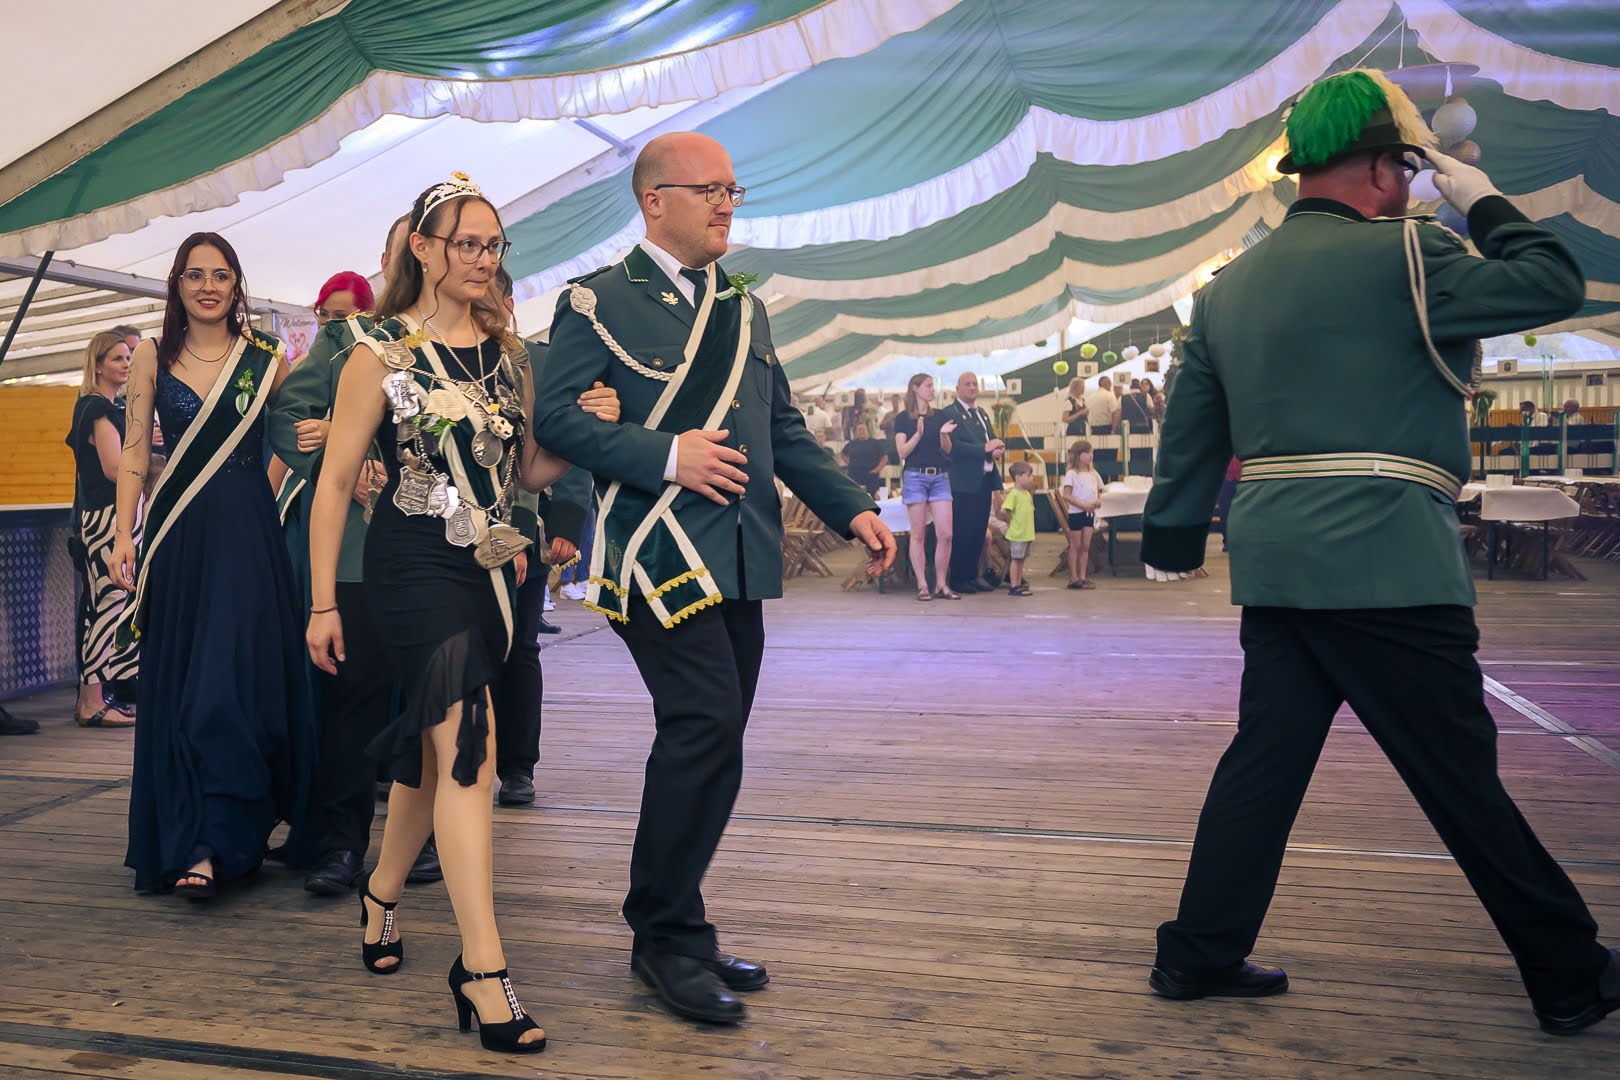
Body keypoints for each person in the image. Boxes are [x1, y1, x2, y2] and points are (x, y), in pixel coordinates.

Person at [1139, 68, 1617, 1033]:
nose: (1408, 184)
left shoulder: (1226, 292)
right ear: (1382, 165)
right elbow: (1553, 281)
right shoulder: (1412, 252)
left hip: (1278, 562)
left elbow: (1189, 434)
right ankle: (1570, 972)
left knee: (1264, 765)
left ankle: (1199, 951)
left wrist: (1173, 533)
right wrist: (1481, 196)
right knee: (1457, 774)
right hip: (1390, 557)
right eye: (1406, 166)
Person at [534, 131, 895, 1026]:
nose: (728, 203)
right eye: (710, 190)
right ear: (655, 200)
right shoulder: (597, 300)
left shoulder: (745, 309)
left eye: (733, 189)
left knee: (716, 739)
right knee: (701, 726)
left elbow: (785, 431)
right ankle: (664, 939)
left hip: (738, 554)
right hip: (655, 553)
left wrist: (851, 507)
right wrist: (667, 454)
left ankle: (680, 927)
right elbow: (555, 422)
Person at [307, 174, 620, 1054]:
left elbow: (526, 474)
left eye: (495, 245)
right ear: (424, 247)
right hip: (411, 569)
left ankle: (380, 894)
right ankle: (482, 968)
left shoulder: (510, 355)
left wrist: (584, 430)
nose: (486, 259)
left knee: (432, 756)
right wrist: (323, 600)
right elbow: (335, 482)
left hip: (493, 573)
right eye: (469, 243)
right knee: (470, 748)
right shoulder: (376, 351)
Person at [109, 232, 318, 899]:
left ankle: (227, 835)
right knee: (186, 684)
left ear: (236, 285)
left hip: (248, 538)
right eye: (195, 275)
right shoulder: (152, 354)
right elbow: (135, 452)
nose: (207, 286)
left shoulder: (265, 357)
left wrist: (279, 474)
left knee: (231, 683)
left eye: (220, 275)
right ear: (177, 284)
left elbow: (295, 433)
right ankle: (199, 840)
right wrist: (124, 533)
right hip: (179, 537)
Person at [269, 222, 436, 897]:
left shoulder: (468, 342)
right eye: (406, 246)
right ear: (388, 260)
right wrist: (337, 461)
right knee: (353, 702)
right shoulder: (347, 338)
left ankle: (423, 838)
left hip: (440, 554)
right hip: (362, 552)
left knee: (432, 703)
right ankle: (341, 843)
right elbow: (289, 416)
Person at [490, 265, 592, 808]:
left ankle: (517, 766)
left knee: (519, 647)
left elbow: (569, 444)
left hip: (522, 529)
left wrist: (567, 524)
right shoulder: (437, 360)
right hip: (446, 533)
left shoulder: (541, 362)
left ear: (509, 302)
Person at [66, 331, 141, 728]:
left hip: (109, 517)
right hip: (107, 518)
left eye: (128, 357)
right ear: (97, 365)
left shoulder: (101, 406)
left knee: (108, 603)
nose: (126, 364)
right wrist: (151, 459)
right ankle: (92, 702)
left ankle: (93, 698)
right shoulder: (96, 407)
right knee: (107, 605)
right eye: (117, 358)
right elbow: (115, 469)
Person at [894, 373, 957, 600]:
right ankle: (922, 584)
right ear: (916, 388)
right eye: (928, 386)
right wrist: (918, 435)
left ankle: (941, 583)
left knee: (946, 534)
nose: (932, 390)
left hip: (939, 476)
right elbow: (902, 452)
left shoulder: (940, 415)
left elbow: (947, 449)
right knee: (918, 534)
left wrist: (944, 435)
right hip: (915, 476)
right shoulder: (903, 419)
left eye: (932, 386)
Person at [944, 371, 1004, 594]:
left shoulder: (982, 413)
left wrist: (995, 448)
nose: (972, 387)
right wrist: (984, 448)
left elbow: (990, 441)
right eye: (967, 384)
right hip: (963, 483)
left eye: (974, 384)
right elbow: (954, 447)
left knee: (978, 532)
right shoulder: (950, 413)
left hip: (983, 481)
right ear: (957, 388)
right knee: (963, 532)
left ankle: (972, 575)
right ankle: (958, 578)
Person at [1061, 441, 1102, 590]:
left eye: (1092, 453)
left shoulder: (1093, 473)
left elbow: (1100, 491)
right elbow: (1066, 495)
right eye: (1088, 453)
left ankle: (1083, 576)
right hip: (1077, 513)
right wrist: (1083, 505)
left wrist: (1098, 500)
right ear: (1079, 455)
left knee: (1085, 546)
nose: (1091, 455)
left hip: (1089, 513)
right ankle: (1073, 577)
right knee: (1076, 545)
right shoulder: (1072, 474)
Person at [996, 462, 1036, 596]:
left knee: (1021, 559)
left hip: (1027, 533)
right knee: (1016, 559)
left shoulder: (1027, 494)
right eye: (1028, 475)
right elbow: (1004, 510)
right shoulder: (1014, 494)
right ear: (1018, 477)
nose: (1031, 478)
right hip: (1018, 533)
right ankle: (1014, 585)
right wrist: (1009, 519)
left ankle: (1018, 583)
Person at [841, 422, 889, 498]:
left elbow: (884, 458)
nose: (861, 431)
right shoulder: (852, 444)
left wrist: (877, 469)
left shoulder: (876, 443)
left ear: (867, 431)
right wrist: (850, 463)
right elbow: (843, 454)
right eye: (859, 430)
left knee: (871, 497)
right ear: (856, 432)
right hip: (854, 475)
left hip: (871, 475)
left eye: (863, 429)